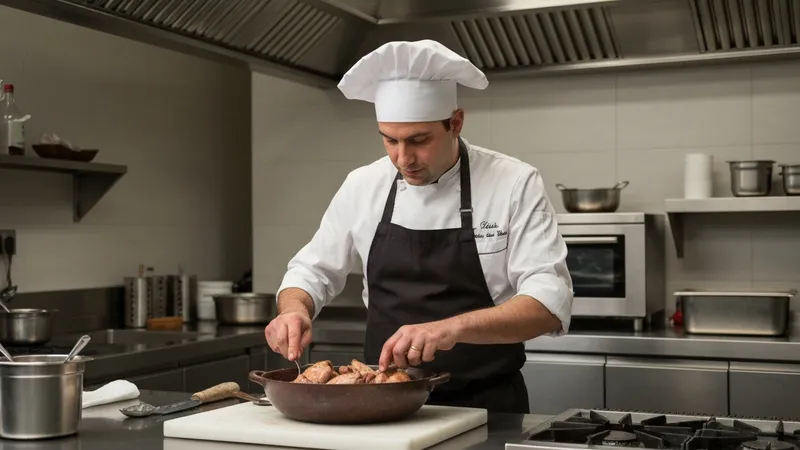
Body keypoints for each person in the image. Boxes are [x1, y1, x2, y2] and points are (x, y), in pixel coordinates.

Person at [264, 39, 573, 414]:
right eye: (389, 140)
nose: (403, 158)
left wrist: (449, 329)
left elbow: (548, 303)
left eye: (419, 140)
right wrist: (293, 310)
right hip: (379, 406)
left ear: (455, 123)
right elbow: (311, 270)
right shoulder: (363, 185)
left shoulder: (513, 182)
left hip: (488, 407)